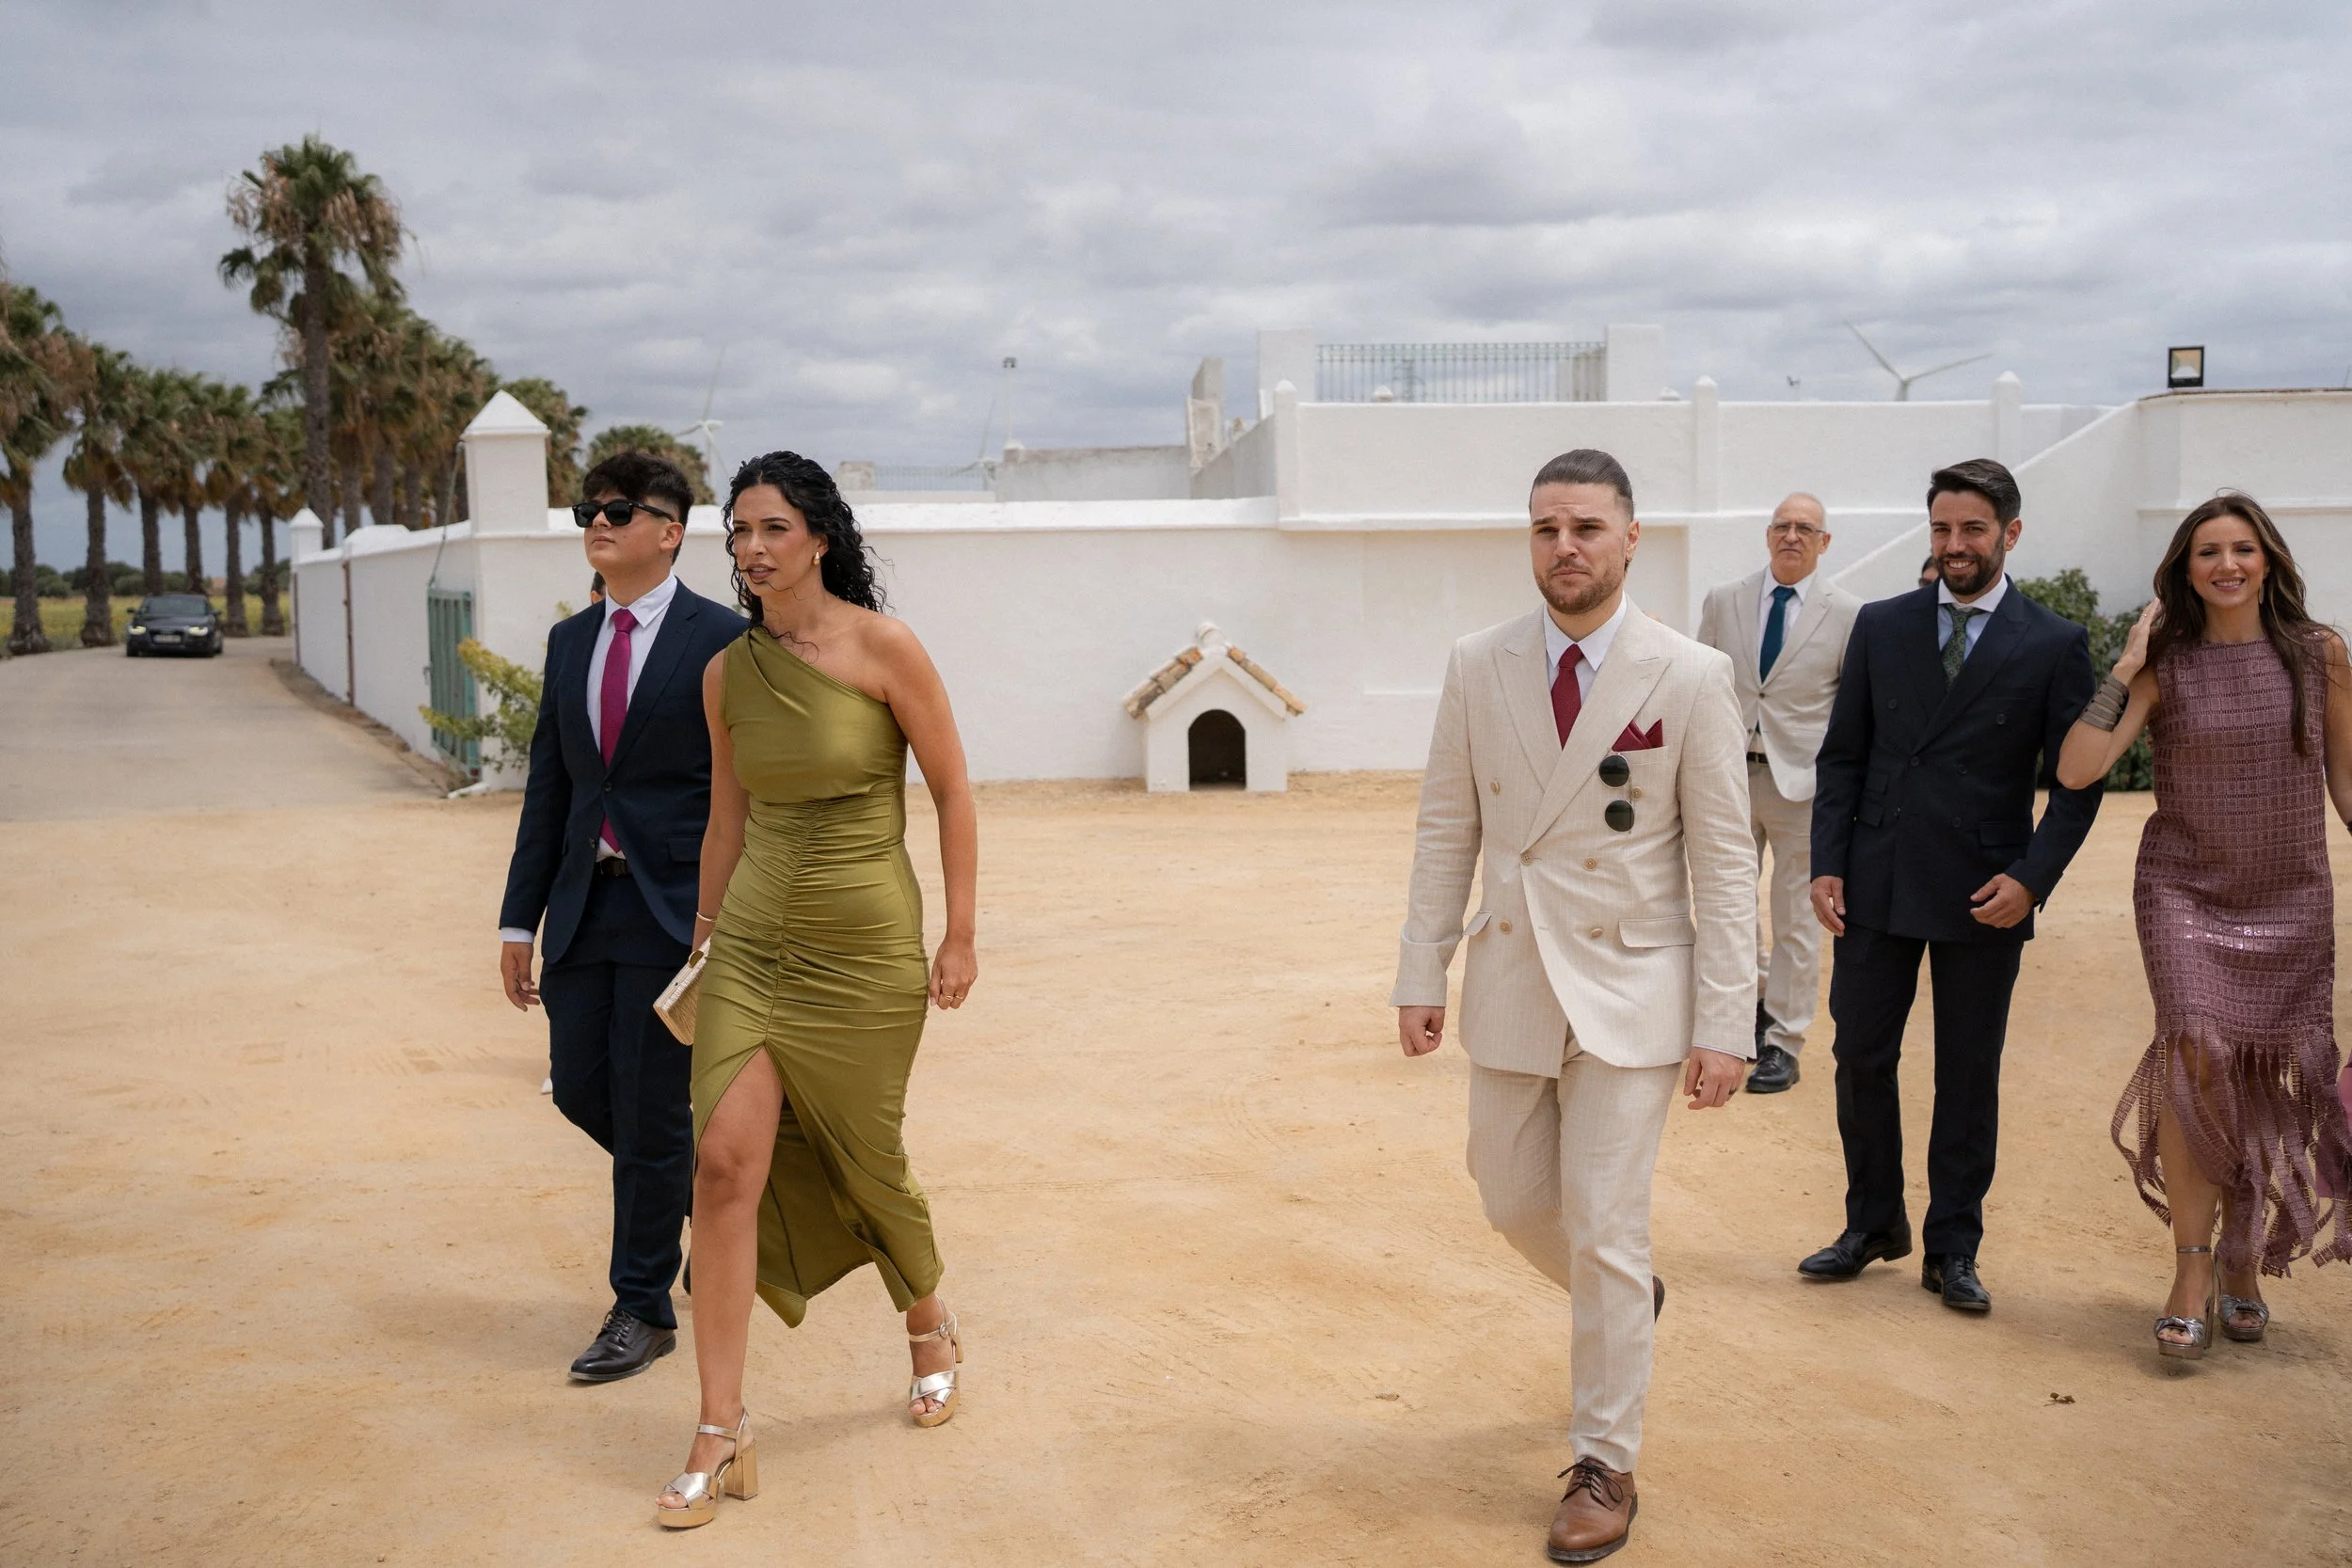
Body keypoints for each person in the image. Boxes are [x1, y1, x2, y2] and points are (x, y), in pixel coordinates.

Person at [1393, 448, 1754, 1563]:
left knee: (1601, 1216)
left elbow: (1726, 858)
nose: (1566, 546)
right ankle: (1627, 1296)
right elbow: (1446, 826)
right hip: (1509, 970)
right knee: (1508, 1197)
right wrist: (1420, 969)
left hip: (1634, 980)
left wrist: (1726, 1019)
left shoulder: (1687, 673)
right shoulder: (1477, 661)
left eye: (1587, 526)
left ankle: (1605, 1457)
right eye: (1547, 527)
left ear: (1631, 536)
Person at [655, 452, 977, 1530]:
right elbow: (726, 823)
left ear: (820, 538)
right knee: (722, 1160)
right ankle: (719, 1423)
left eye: (773, 528)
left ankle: (926, 1313)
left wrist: (960, 931)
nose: (751, 548)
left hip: (866, 942)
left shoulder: (884, 648)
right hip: (750, 942)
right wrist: (700, 946)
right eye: (738, 531)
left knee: (860, 1149)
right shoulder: (726, 672)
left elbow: (952, 788)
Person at [1800, 458, 2103, 1312]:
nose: (1955, 544)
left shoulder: (2053, 641)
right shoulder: (1882, 625)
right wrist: (1828, 860)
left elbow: (2076, 787)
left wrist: (2031, 881)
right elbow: (1844, 757)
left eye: (1972, 529)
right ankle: (1872, 1224)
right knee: (1860, 1053)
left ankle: (1954, 1245)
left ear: (2010, 532)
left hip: (1986, 889)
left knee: (1968, 1071)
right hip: (1877, 878)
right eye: (1941, 528)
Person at [2055, 492, 2352, 1358]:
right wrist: (2124, 664)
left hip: (2290, 895)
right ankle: (2191, 1267)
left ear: (2269, 561)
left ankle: (2243, 1259)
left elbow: (2348, 788)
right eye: (2207, 552)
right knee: (2195, 1055)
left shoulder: (2319, 654)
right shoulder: (2165, 664)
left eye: (2243, 549)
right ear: (2184, 570)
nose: (2227, 564)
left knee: (2262, 1075)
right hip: (2185, 891)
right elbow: (2078, 768)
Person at [498, 452, 742, 1382]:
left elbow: (740, 788)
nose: (597, 522)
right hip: (583, 907)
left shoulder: (722, 638)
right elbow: (551, 789)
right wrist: (519, 922)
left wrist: (728, 916)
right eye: (586, 510)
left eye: (619, 510)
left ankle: (641, 1306)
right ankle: (713, 1201)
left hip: (674, 911)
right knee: (577, 1085)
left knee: (647, 1106)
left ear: (670, 530)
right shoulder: (571, 642)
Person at [1695, 493, 1861, 1093]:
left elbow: (1851, 709)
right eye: (1783, 526)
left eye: (1806, 528)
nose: (1792, 536)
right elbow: (1702, 685)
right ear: (1768, 535)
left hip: (1804, 788)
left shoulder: (1847, 614)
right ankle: (1742, 1017)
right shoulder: (1723, 601)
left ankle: (1784, 1041)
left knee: (1796, 917)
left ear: (1824, 542)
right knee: (1729, 906)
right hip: (1729, 779)